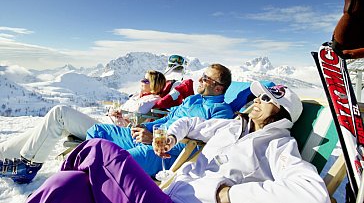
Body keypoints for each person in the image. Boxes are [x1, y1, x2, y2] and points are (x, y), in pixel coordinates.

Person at [26, 81, 330, 203]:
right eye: (258, 95)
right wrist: (172, 135)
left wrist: (226, 194)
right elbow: (190, 123)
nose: (257, 101)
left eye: (267, 99)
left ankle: (47, 164)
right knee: (66, 184)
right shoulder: (232, 126)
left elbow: (311, 194)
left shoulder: (278, 145)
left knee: (96, 151)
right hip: (165, 190)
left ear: (284, 112)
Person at [0, 70, 166, 184]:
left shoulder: (150, 100)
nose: (141, 81)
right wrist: (116, 114)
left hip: (111, 134)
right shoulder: (138, 96)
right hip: (109, 128)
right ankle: (4, 152)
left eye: (145, 80)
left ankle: (28, 166)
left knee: (60, 113)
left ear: (154, 85)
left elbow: (137, 126)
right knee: (51, 125)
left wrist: (122, 117)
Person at [85, 63, 234, 176]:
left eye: (206, 79)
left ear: (218, 88)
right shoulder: (193, 99)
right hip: (151, 138)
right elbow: (169, 118)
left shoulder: (221, 112)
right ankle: (88, 172)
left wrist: (155, 140)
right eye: (202, 75)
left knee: (119, 160)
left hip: (168, 152)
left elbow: (201, 147)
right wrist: (145, 128)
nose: (200, 79)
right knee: (97, 131)